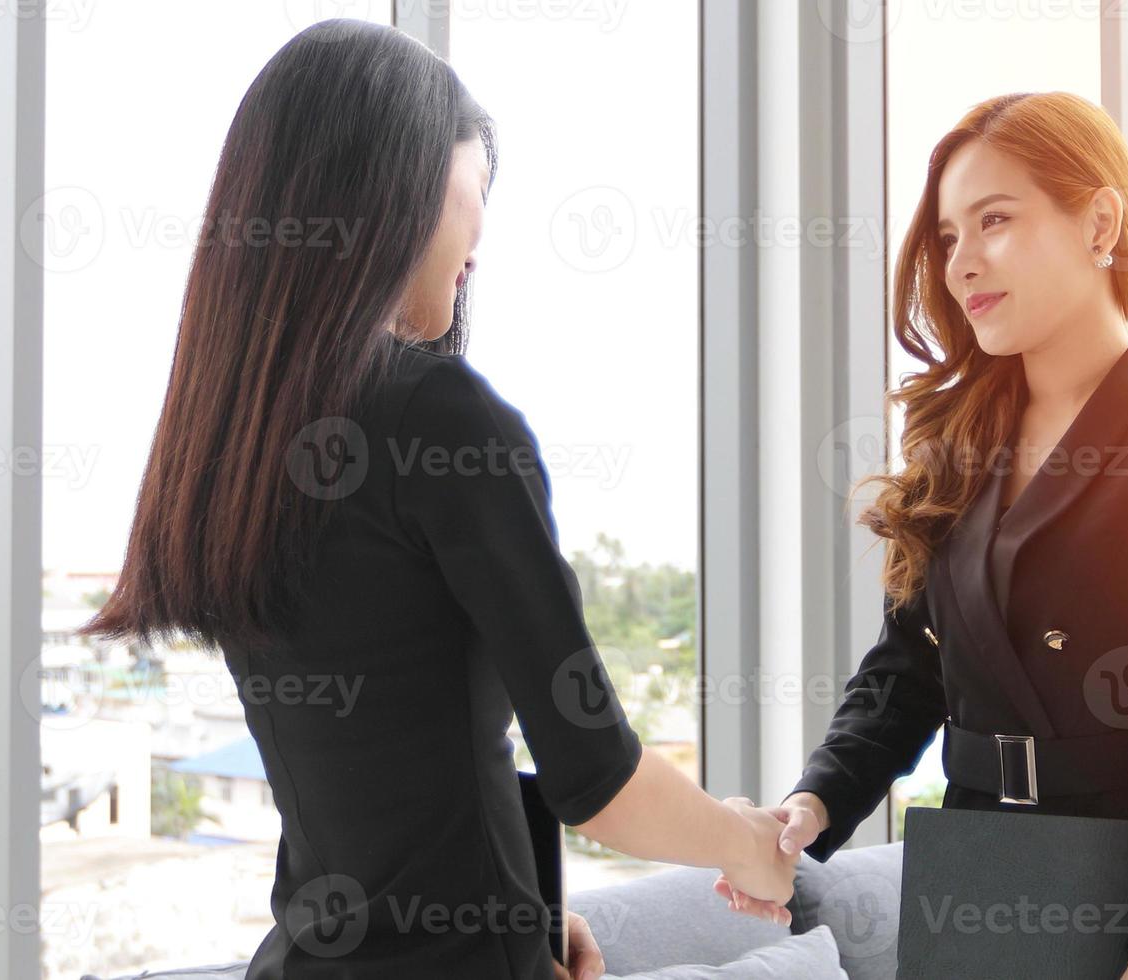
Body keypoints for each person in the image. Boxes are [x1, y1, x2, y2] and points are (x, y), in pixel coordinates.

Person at [79, 20, 794, 979]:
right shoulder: (442, 418)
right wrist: (751, 844)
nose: (480, 238)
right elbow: (598, 780)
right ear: (396, 191)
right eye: (477, 196)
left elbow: (380, 773)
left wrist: (527, 910)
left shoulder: (230, 449)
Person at [713, 91, 1128, 980]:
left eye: (994, 221)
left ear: (1099, 221)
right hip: (975, 868)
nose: (960, 264)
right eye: (947, 237)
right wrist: (814, 802)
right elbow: (907, 670)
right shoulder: (955, 444)